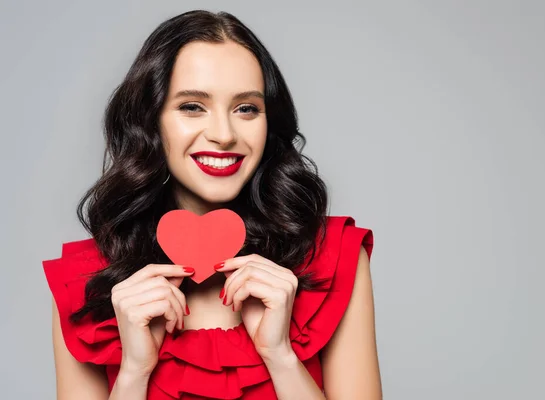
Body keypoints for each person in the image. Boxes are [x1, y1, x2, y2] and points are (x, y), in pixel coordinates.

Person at [42, 9, 381, 400]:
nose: (223, 134)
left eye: (246, 108)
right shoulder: (84, 284)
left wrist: (281, 357)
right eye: (192, 106)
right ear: (151, 121)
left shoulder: (333, 258)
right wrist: (134, 372)